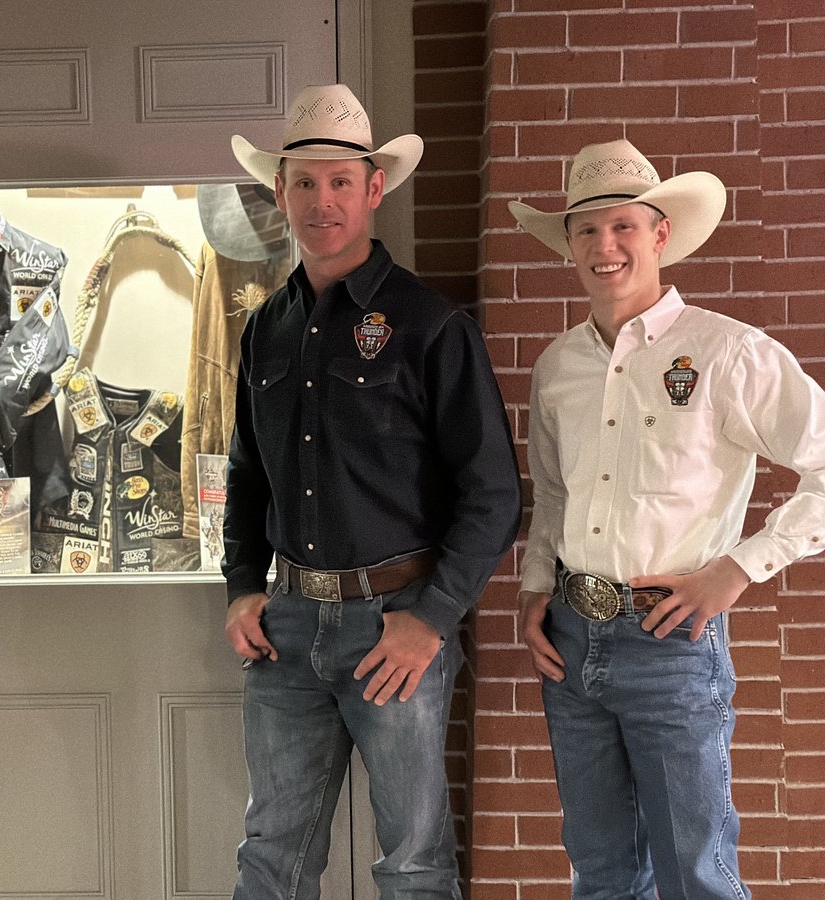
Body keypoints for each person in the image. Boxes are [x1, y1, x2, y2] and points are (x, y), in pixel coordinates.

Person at [222, 84, 521, 899]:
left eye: (341, 182)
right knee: (270, 856)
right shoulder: (265, 330)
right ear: (280, 191)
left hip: (396, 632)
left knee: (414, 863)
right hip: (284, 631)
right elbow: (248, 473)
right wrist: (243, 585)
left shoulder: (430, 325)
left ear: (373, 189)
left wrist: (432, 620)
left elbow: (494, 493)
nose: (323, 200)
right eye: (305, 182)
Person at [511, 139, 825, 898]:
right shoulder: (558, 368)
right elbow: (553, 493)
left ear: (660, 235)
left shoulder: (728, 354)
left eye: (622, 225)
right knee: (602, 872)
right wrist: (533, 590)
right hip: (570, 639)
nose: (604, 245)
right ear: (569, 247)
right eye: (585, 229)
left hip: (671, 645)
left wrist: (738, 568)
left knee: (696, 876)